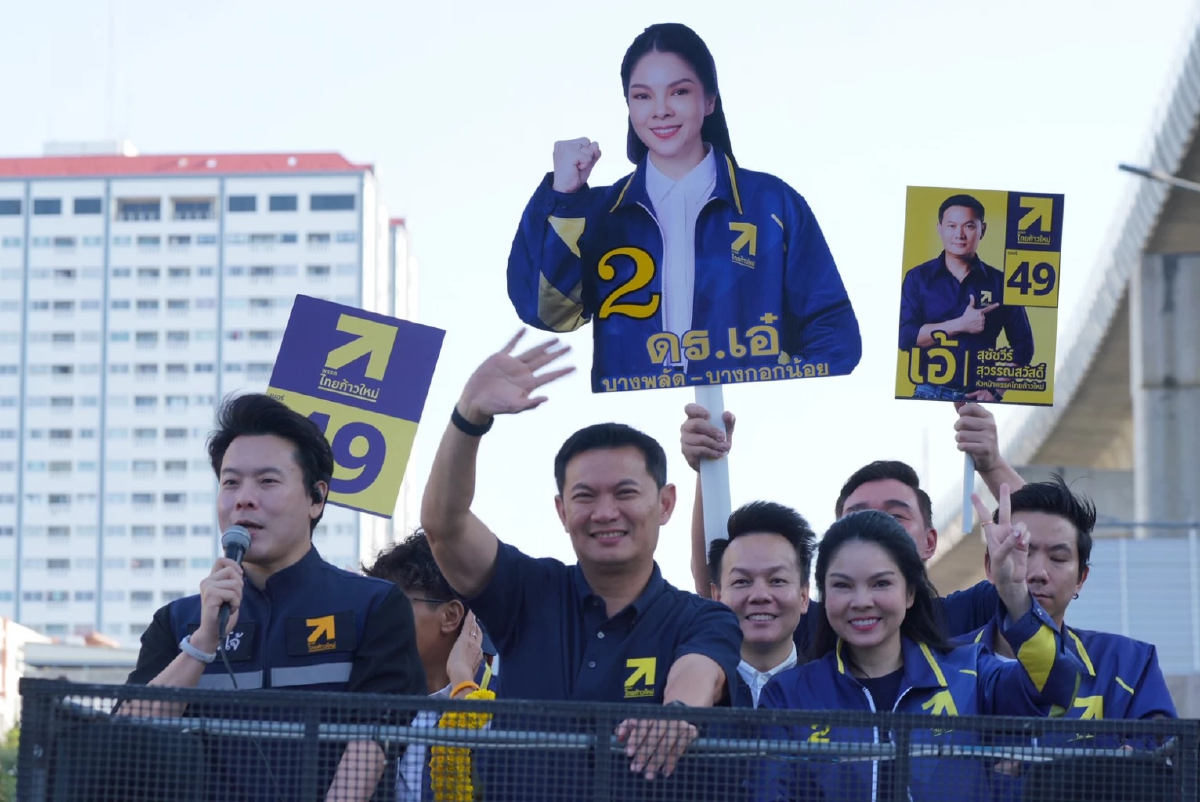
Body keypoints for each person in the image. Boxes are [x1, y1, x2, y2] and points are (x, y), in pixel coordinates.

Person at [420, 330, 743, 788]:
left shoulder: (704, 618)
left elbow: (699, 674)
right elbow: (444, 525)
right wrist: (468, 416)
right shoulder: (526, 591)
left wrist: (676, 714)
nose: (605, 512)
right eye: (585, 496)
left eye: (626, 493)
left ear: (666, 503)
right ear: (562, 511)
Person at [506, 22, 861, 393]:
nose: (660, 110)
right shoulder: (598, 212)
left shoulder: (771, 203)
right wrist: (564, 197)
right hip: (639, 417)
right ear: (629, 105)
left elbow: (832, 331)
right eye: (642, 96)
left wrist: (770, 393)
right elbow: (547, 312)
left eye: (679, 91)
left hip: (743, 419)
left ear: (709, 100)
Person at [124, 393, 426, 802]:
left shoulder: (374, 606)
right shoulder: (177, 621)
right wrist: (202, 644)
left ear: (316, 498)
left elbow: (372, 739)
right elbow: (126, 743)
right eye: (230, 482)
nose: (243, 498)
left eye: (267, 481)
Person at [758, 507, 1084, 802]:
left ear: (910, 593)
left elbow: (1056, 689)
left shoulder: (971, 674)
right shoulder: (788, 695)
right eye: (842, 585)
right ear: (824, 594)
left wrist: (1014, 594)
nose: (861, 601)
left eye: (881, 583)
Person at [680, 401, 1026, 650]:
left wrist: (992, 464)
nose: (875, 528)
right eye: (857, 516)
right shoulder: (809, 627)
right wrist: (709, 469)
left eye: (896, 516)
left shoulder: (967, 615)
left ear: (930, 541)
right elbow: (716, 581)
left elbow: (1042, 554)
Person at [960, 477, 1176, 800]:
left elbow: (1164, 768)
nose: (1037, 572)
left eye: (1058, 558)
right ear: (990, 567)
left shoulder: (1129, 666)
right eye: (1022, 552)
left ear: (1081, 579)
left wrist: (1031, 771)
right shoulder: (943, 668)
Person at [362, 531, 499, 802]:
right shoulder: (375, 699)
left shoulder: (506, 704)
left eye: (392, 606)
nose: (377, 621)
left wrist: (461, 684)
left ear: (450, 616)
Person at [898, 193, 1034, 402]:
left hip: (978, 397)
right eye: (951, 226)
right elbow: (906, 338)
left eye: (969, 226)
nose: (959, 234)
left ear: (982, 230)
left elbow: (1024, 346)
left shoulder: (1001, 283)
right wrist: (961, 324)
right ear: (940, 228)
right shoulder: (918, 278)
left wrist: (996, 391)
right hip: (928, 392)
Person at [706, 501, 815, 707]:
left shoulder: (835, 692)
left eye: (777, 580)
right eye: (741, 582)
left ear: (803, 596)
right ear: (717, 597)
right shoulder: (691, 694)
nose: (759, 595)